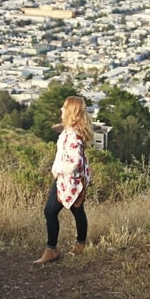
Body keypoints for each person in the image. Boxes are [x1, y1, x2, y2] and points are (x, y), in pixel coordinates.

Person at [33, 95, 93, 265]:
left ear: (71, 112)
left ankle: (52, 250)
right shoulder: (69, 132)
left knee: (50, 211)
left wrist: (57, 170)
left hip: (70, 180)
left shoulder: (73, 136)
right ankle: (79, 244)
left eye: (64, 107)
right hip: (69, 180)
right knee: (77, 210)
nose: (61, 109)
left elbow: (74, 163)